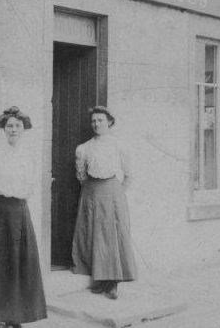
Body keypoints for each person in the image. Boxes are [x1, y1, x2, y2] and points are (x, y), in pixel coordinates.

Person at [0, 107, 47, 328]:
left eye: (18, 126)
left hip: (21, 213)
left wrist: (16, 207)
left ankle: (15, 316)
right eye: (9, 126)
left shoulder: (28, 158)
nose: (13, 129)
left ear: (24, 129)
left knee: (20, 263)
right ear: (3, 129)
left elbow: (30, 187)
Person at [72, 106, 137, 300]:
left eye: (100, 120)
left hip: (112, 192)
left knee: (111, 235)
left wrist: (117, 192)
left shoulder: (119, 145)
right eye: (93, 121)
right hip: (91, 191)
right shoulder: (84, 147)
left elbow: (129, 174)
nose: (96, 124)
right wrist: (91, 189)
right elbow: (81, 175)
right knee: (93, 233)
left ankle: (113, 282)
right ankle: (99, 280)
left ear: (109, 121)